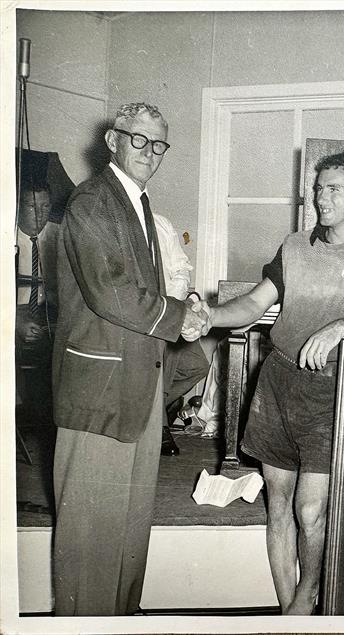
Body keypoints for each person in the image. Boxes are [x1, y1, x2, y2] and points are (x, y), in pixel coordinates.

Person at [188, 151, 344, 614]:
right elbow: (253, 305)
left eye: (333, 189)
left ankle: (307, 598)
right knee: (279, 505)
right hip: (279, 385)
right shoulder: (294, 246)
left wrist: (341, 327)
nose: (321, 197)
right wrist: (208, 316)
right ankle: (288, 611)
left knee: (311, 510)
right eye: (318, 188)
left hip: (336, 391)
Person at [51, 102, 207, 615]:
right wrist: (180, 316)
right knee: (90, 534)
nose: (150, 152)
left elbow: (144, 292)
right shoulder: (93, 201)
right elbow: (111, 293)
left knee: (129, 525)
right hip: (99, 389)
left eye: (159, 144)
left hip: (139, 384)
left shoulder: (137, 203)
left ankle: (121, 619)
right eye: (139, 139)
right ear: (113, 140)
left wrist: (189, 311)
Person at [154, 212, 211, 456]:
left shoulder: (161, 223)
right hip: (145, 314)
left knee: (198, 365)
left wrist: (177, 304)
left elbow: (181, 268)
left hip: (171, 307)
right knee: (164, 358)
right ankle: (159, 425)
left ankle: (155, 410)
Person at [15, 184, 59, 419]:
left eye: (45, 206)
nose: (40, 214)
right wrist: (14, 322)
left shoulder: (59, 235)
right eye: (32, 206)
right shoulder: (6, 235)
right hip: (12, 310)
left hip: (50, 311)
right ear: (17, 206)